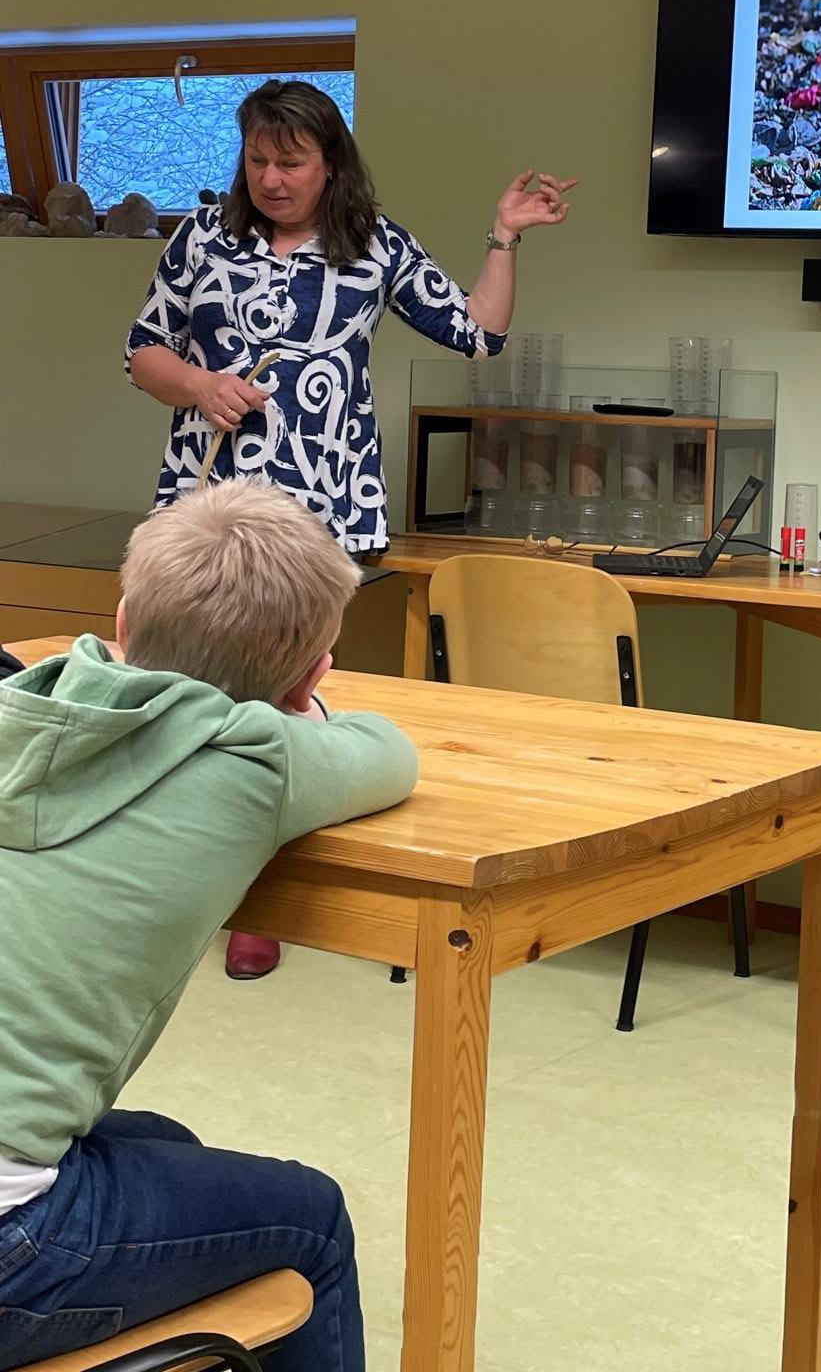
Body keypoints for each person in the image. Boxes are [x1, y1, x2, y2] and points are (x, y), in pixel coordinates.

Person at [124, 78, 573, 979]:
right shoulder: (202, 237)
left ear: (331, 164)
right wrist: (201, 385)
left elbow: (477, 333)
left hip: (320, 498)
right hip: (210, 498)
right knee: (184, 683)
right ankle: (167, 873)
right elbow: (143, 351)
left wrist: (504, 236)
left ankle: (262, 894)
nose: (271, 178)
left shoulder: (373, 243)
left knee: (280, 692)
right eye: (258, 160)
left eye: (290, 162)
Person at [0, 482, 418, 1371]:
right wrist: (298, 716)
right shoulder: (251, 757)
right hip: (12, 1246)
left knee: (169, 1146)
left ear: (122, 619)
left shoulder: (21, 705)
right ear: (310, 678)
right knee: (313, 1218)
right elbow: (389, 754)